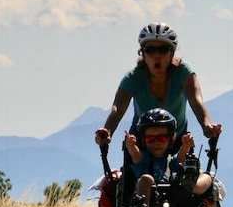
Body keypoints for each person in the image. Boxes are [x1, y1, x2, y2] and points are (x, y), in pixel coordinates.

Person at [93, 22, 223, 147]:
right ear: (143, 54)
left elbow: (196, 101)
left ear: (172, 53)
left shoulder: (183, 73)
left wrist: (207, 126)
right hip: (140, 142)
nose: (156, 55)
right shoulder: (133, 78)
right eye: (150, 50)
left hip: (177, 141)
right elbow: (118, 109)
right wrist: (107, 131)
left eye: (163, 49)